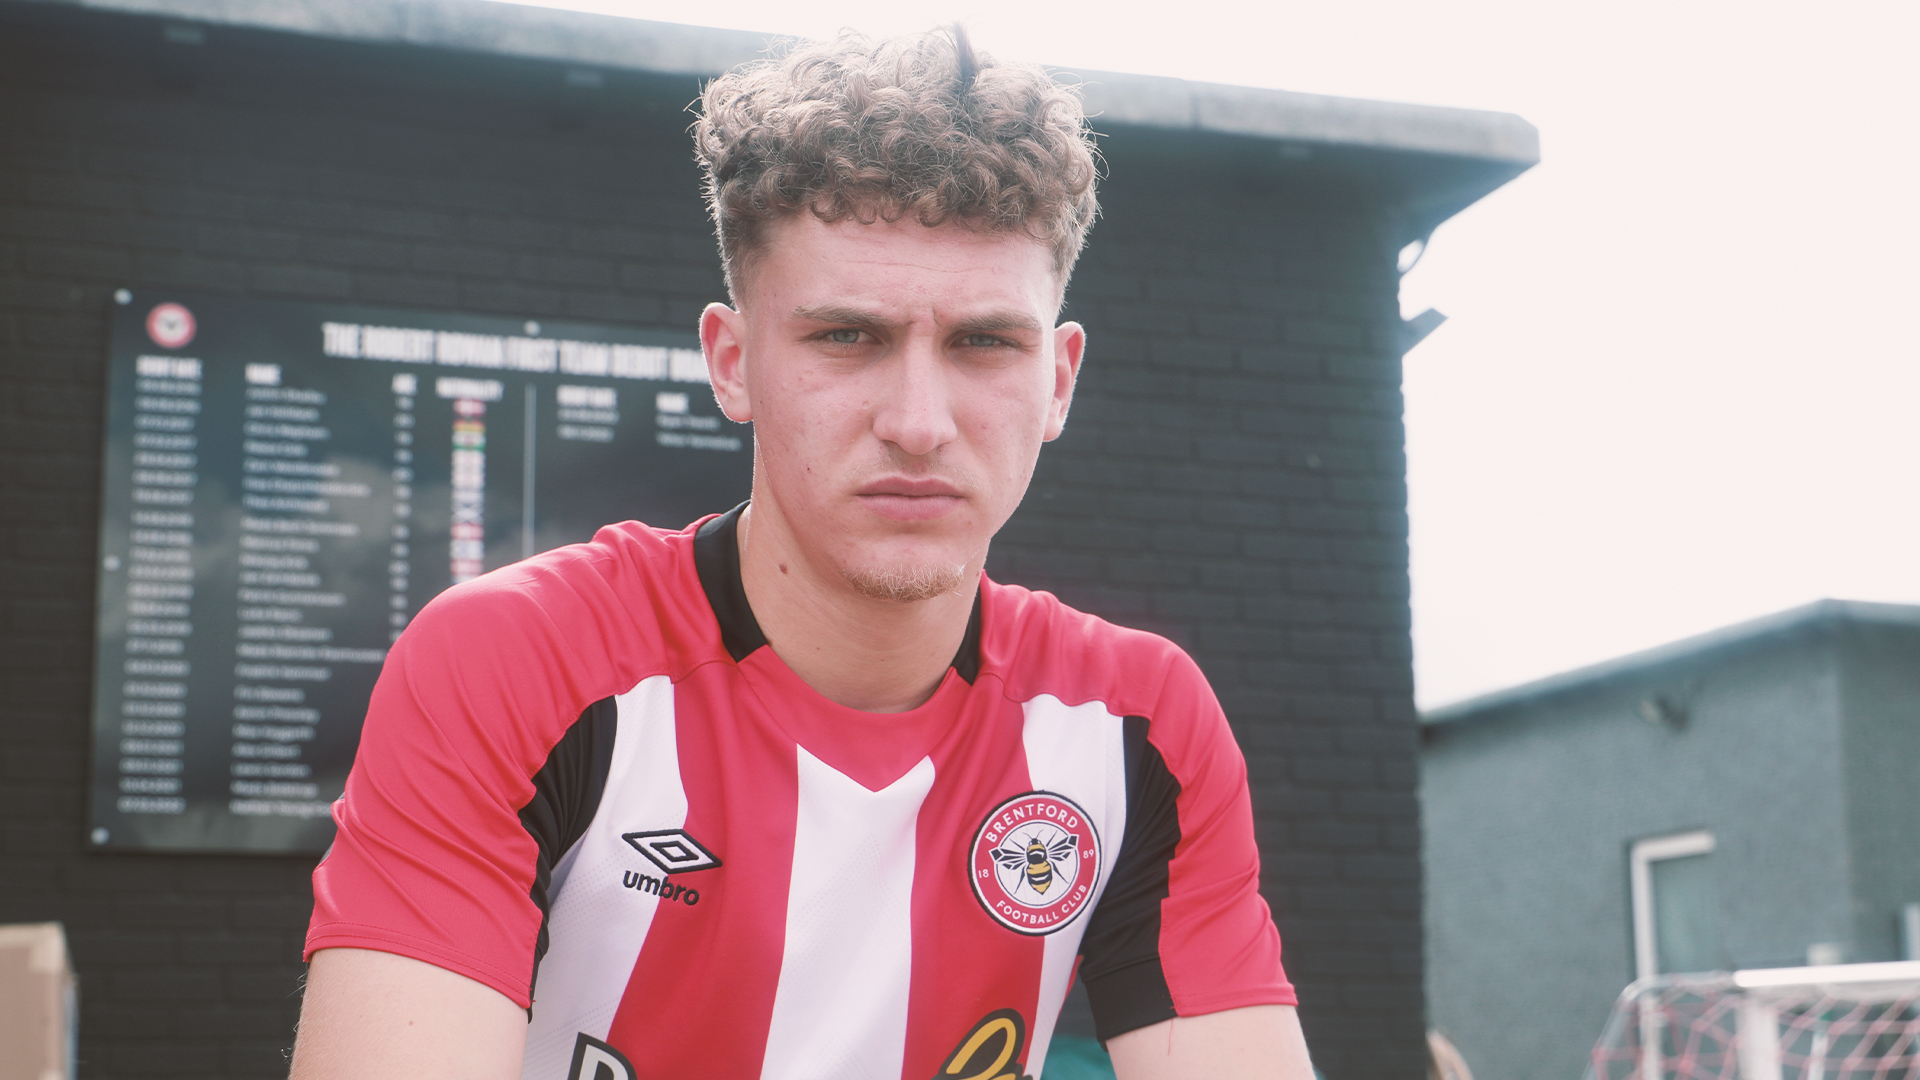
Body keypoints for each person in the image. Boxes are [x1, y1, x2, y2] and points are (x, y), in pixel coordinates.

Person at [289, 27, 1314, 1080]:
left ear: (1058, 380)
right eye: (846, 337)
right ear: (732, 364)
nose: (919, 422)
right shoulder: (519, 660)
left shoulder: (1137, 723)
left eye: (984, 343)